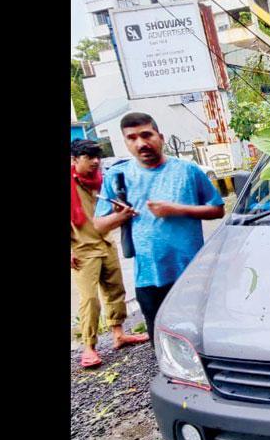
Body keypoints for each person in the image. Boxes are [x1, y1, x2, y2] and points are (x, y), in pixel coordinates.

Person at [93, 113, 225, 341]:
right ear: (126, 143)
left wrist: (176, 209)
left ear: (160, 137)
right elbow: (99, 225)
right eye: (132, 138)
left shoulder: (188, 171)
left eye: (146, 135)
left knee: (201, 339)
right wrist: (121, 216)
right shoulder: (118, 176)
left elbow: (217, 209)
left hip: (191, 273)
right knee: (162, 342)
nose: (141, 143)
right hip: (148, 278)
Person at [71, 139, 149, 369]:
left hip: (106, 242)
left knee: (115, 290)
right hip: (81, 248)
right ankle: (89, 347)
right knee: (90, 299)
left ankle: (118, 334)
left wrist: (118, 211)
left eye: (98, 157)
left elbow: (106, 213)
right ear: (74, 160)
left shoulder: (99, 181)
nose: (96, 161)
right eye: (89, 157)